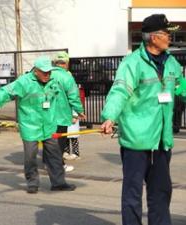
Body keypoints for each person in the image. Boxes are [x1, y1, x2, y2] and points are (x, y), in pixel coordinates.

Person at [101, 14, 186, 225]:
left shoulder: (171, 62)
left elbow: (181, 86)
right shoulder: (132, 63)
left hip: (161, 140)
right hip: (136, 140)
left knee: (161, 192)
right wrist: (110, 116)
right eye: (167, 34)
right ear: (154, 37)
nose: (170, 37)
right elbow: (120, 90)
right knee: (133, 193)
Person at [0, 56, 77, 194]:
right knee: (30, 156)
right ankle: (32, 182)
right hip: (30, 124)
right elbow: (7, 91)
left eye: (49, 72)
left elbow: (63, 98)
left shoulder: (52, 81)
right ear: (36, 71)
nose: (47, 75)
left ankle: (59, 182)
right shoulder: (24, 82)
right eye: (44, 72)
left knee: (55, 155)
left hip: (48, 124)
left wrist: (74, 112)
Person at [52, 51, 85, 170]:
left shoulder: (46, 74)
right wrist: (79, 111)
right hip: (61, 115)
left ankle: (47, 162)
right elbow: (73, 96)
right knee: (60, 141)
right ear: (66, 63)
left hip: (46, 115)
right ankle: (59, 165)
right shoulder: (67, 77)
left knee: (48, 140)